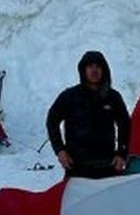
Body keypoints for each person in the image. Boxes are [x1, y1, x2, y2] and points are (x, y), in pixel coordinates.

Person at [46, 50, 131, 179]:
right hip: (76, 166)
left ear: (104, 70)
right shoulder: (70, 96)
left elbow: (125, 124)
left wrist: (121, 153)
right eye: (90, 66)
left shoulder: (113, 97)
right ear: (83, 70)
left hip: (107, 165)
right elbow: (52, 120)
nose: (94, 70)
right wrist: (60, 150)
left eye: (98, 66)